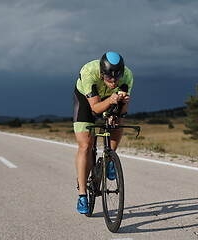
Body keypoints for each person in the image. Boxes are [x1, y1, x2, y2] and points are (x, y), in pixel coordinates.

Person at [73, 52, 133, 214]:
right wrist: (110, 101)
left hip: (110, 99)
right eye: (109, 79)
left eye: (117, 78)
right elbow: (96, 109)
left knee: (118, 121)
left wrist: (122, 105)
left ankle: (110, 158)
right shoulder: (89, 73)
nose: (113, 82)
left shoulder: (127, 76)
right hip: (87, 102)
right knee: (85, 145)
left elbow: (123, 112)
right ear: (102, 74)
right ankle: (82, 195)